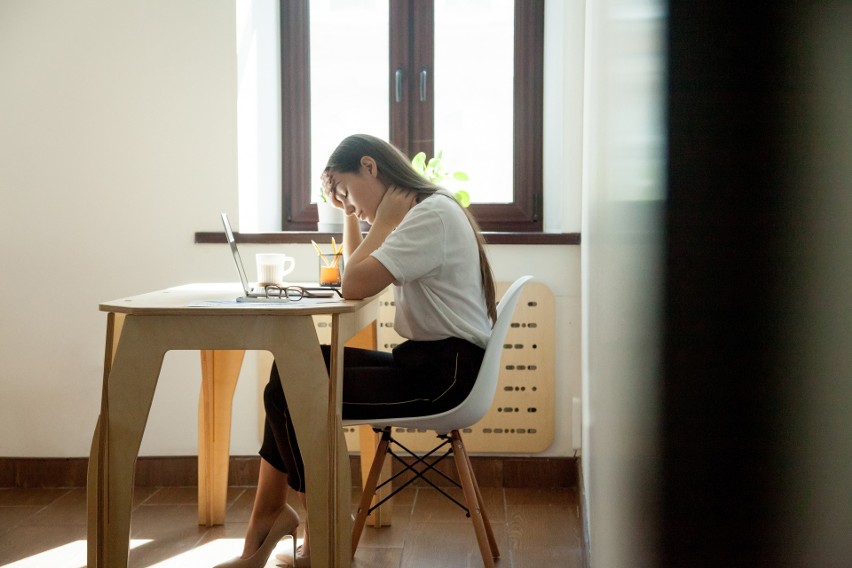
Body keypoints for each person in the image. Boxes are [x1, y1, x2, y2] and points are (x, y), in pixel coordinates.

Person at [214, 134, 496, 568]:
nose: (349, 207)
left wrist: (380, 222)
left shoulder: (429, 217)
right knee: (291, 367)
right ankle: (277, 516)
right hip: (433, 363)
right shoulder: (424, 212)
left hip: (445, 377)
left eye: (346, 192)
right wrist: (358, 213)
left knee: (294, 385)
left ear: (370, 167)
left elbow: (352, 285)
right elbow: (355, 273)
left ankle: (318, 527)